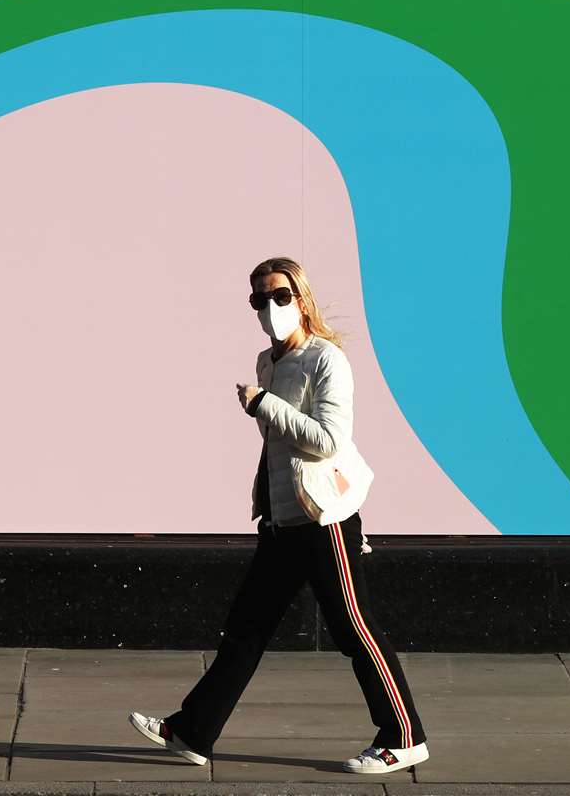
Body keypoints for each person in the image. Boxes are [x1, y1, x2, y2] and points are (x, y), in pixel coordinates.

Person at [128, 256, 429, 775]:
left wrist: (265, 404)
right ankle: (194, 731)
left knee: (352, 628)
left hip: (324, 522)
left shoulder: (326, 361)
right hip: (281, 524)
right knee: (246, 629)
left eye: (280, 295)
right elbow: (281, 449)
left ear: (302, 299)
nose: (270, 307)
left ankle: (405, 736)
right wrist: (265, 502)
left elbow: (328, 441)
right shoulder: (268, 361)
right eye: (259, 299)